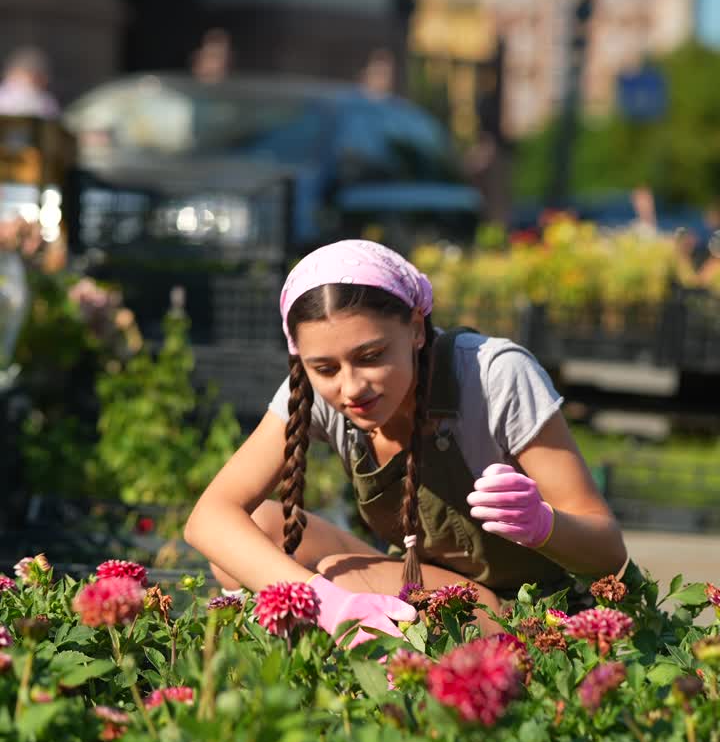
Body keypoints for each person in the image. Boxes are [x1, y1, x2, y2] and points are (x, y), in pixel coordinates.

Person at [184, 239, 627, 643]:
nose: (351, 387)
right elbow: (209, 518)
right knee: (253, 534)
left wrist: (544, 525)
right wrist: (325, 602)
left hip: (526, 609)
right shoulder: (311, 390)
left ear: (416, 328)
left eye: (371, 356)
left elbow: (608, 553)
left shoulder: (494, 376)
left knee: (328, 574)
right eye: (325, 368)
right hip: (421, 579)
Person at [0, 46, 60, 117]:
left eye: (39, 76)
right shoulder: (4, 97)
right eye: (30, 74)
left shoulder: (47, 101)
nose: (35, 80)